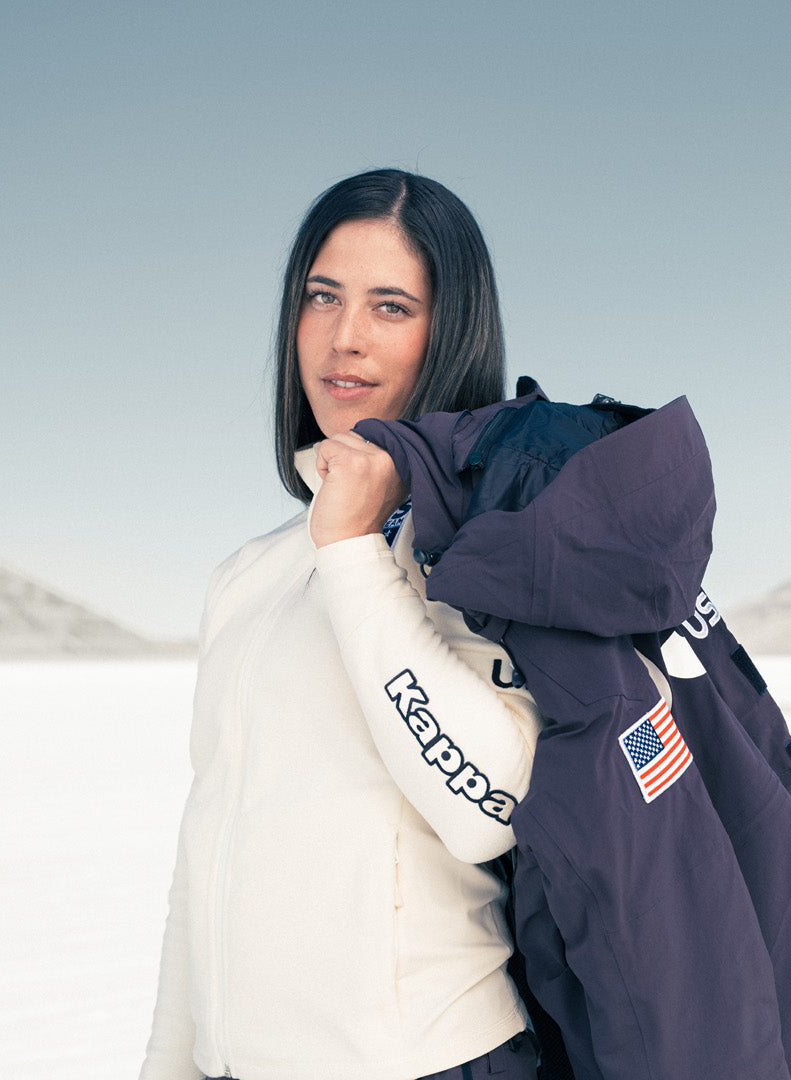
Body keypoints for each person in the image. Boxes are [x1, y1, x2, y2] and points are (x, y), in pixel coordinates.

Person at [140, 169, 543, 1080]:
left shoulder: (486, 543)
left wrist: (357, 555)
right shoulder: (247, 576)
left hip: (426, 1059)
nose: (345, 338)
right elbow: (208, 849)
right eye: (323, 296)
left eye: (391, 306)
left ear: (449, 331)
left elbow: (490, 806)